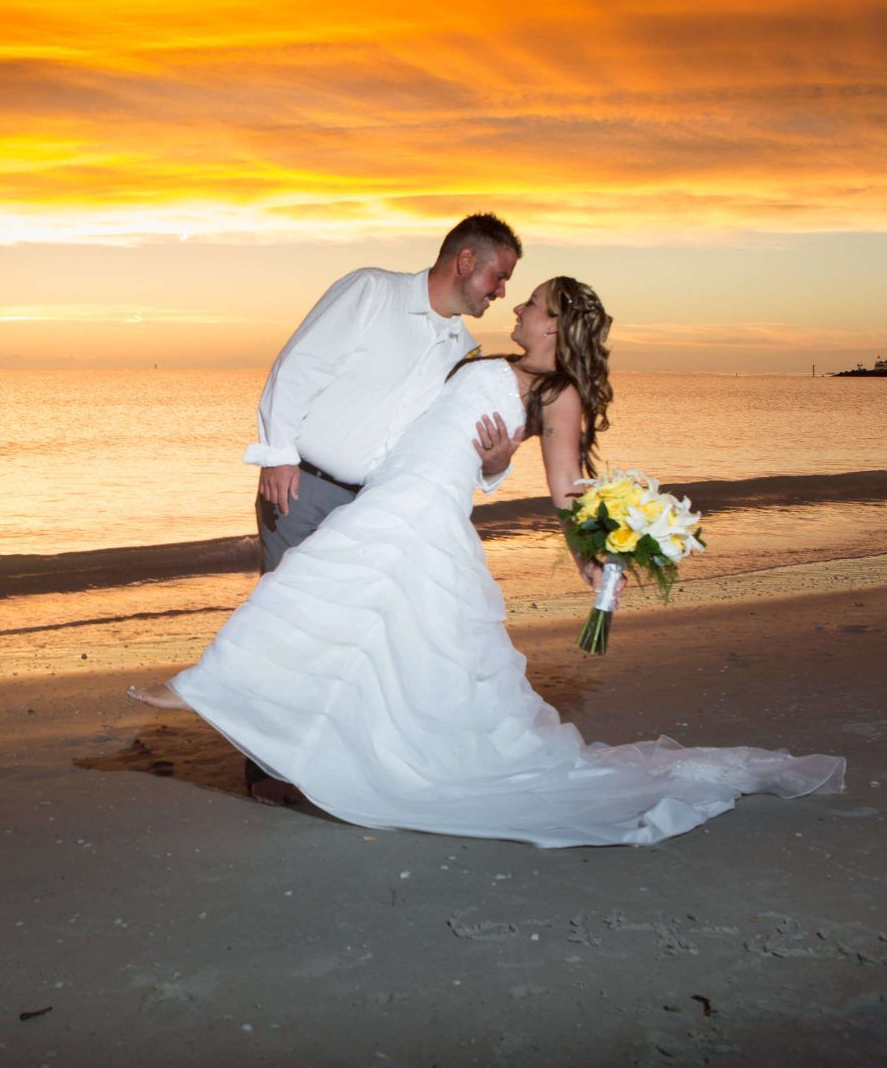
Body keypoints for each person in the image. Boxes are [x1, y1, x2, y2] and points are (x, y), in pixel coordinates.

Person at [130, 278, 844, 847]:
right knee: (362, 624)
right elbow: (424, 424)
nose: (521, 306)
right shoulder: (488, 363)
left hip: (422, 505)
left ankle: (214, 684)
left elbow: (567, 489)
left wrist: (589, 559)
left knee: (318, 586)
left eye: (534, 304)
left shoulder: (560, 395)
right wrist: (488, 460)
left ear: (557, 327)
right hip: (396, 488)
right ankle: (287, 729)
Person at [237, 213, 526, 803]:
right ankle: (266, 773)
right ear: (465, 261)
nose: (502, 293)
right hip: (303, 487)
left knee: (345, 637)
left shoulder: (459, 349)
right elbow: (300, 365)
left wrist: (495, 466)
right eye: (499, 276)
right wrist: (276, 454)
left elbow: (438, 440)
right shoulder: (372, 290)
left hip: (372, 511)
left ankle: (319, 767)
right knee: (285, 629)